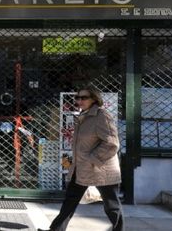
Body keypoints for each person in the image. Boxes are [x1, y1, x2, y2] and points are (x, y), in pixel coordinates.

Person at [39, 86, 124, 231]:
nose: (79, 100)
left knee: (111, 206)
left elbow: (112, 143)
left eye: (84, 97)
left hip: (101, 169)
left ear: (94, 99)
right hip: (81, 167)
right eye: (77, 97)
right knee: (70, 201)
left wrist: (93, 159)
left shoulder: (101, 116)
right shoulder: (83, 115)